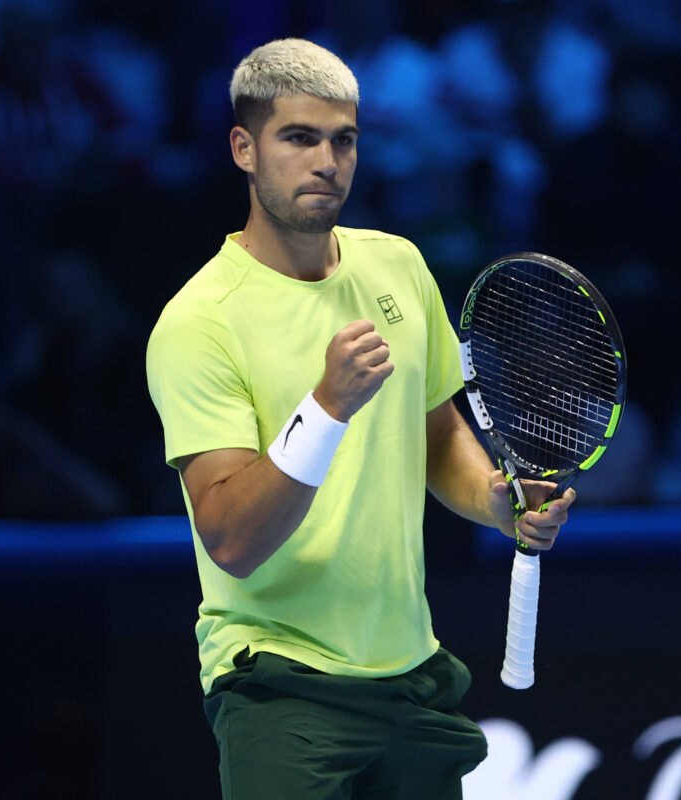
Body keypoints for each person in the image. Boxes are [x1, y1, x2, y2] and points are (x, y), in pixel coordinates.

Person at [145, 38, 575, 799]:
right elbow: (233, 540)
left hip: (411, 675)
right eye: (299, 138)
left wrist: (495, 501)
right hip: (280, 684)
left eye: (343, 140)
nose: (327, 162)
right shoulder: (198, 322)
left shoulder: (397, 265)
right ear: (244, 149)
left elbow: (437, 433)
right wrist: (327, 407)